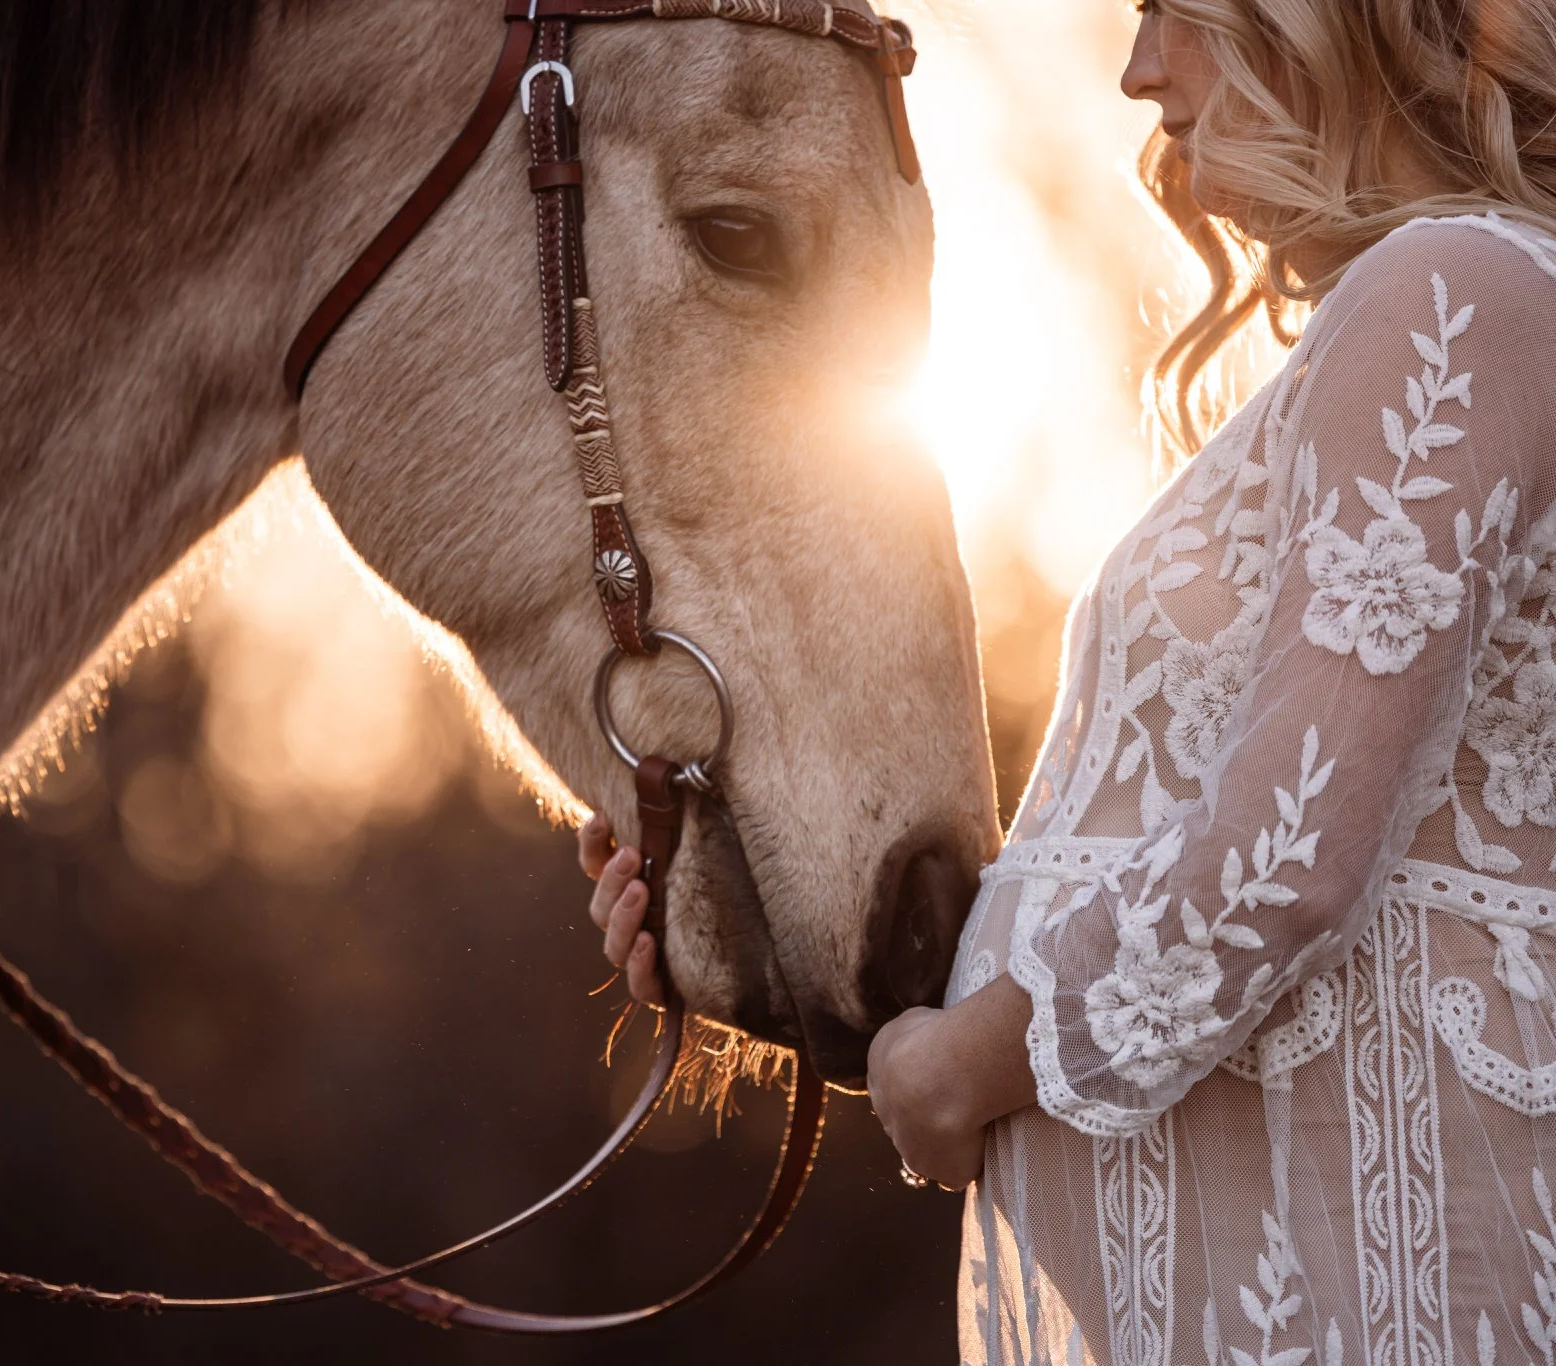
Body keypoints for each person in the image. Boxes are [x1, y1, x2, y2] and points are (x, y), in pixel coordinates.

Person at [580, 0, 1556, 1359]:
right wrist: (752, 919)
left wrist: (969, 1065)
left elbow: (1285, 857)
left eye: (1165, 10)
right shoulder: (1420, 308)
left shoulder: (1454, 290)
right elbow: (1228, 875)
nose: (1138, 70)